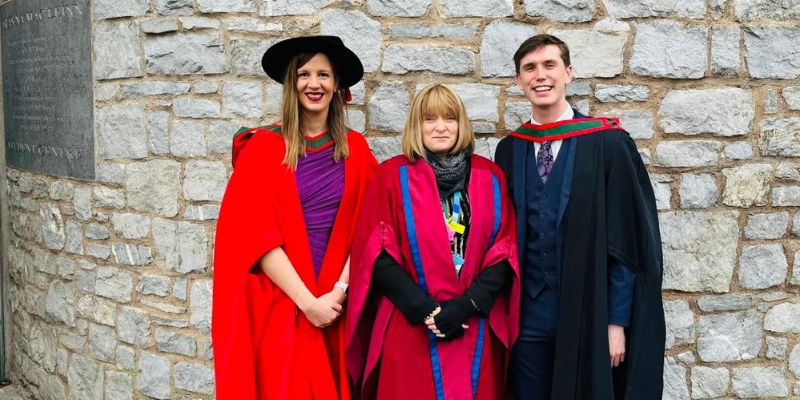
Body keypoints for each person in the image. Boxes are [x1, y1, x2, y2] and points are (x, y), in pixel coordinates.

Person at [493, 34, 665, 400]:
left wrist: (616, 323)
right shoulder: (509, 150)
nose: (541, 76)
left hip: (590, 310)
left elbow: (625, 245)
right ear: (519, 81)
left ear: (568, 73)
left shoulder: (607, 143)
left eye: (549, 65)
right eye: (530, 68)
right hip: (527, 316)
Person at [212, 35, 377, 400]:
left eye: (324, 75)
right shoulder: (263, 149)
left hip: (337, 305)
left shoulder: (357, 152)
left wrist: (337, 293)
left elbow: (370, 231)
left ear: (337, 86)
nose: (313, 84)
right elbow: (254, 235)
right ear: (292, 83)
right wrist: (307, 303)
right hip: (282, 302)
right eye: (304, 74)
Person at [346, 84, 520, 400]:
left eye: (449, 118)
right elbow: (376, 252)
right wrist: (427, 310)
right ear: (417, 125)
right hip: (410, 325)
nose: (440, 127)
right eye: (430, 119)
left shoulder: (490, 177)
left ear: (461, 124)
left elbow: (504, 252)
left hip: (472, 325)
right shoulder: (391, 176)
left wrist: (465, 306)